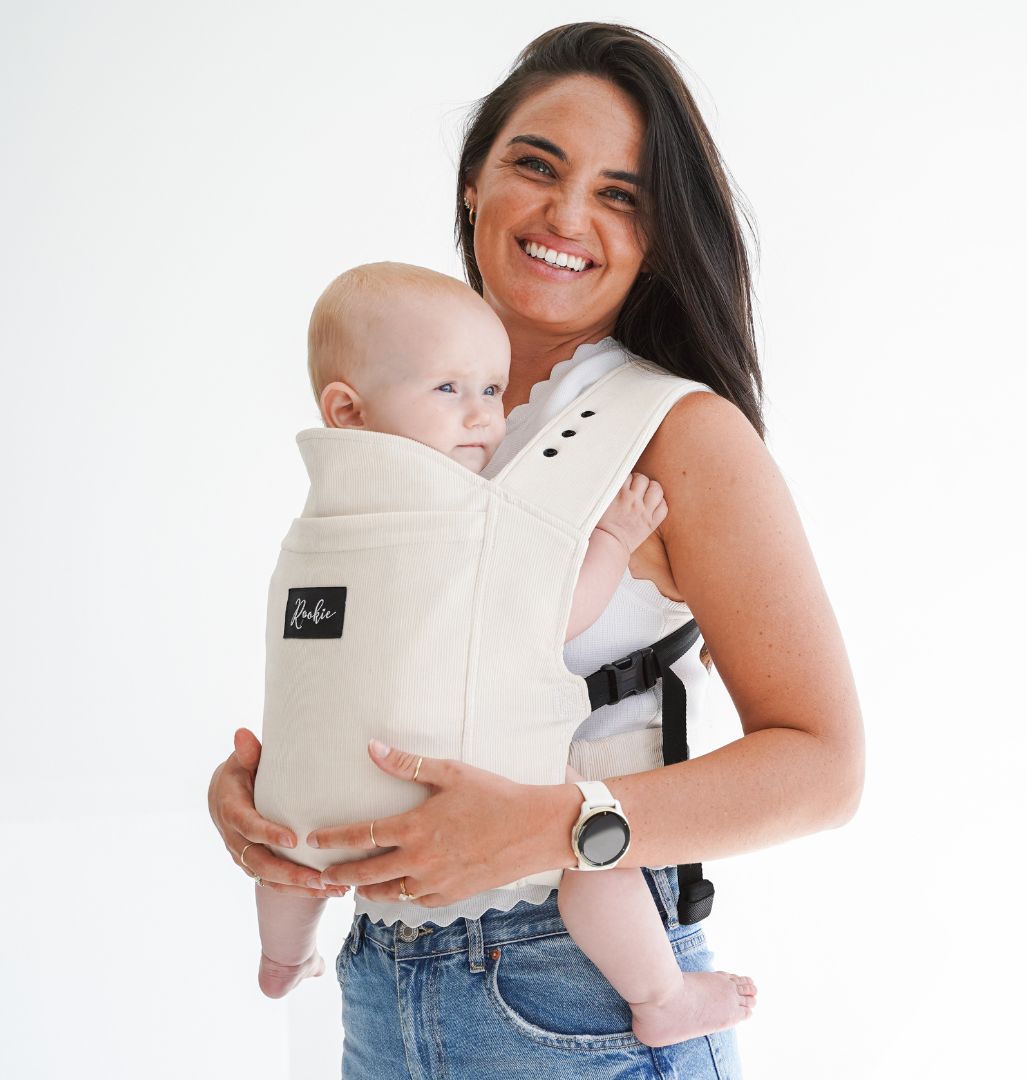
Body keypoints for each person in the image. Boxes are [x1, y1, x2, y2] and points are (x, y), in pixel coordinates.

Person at [208, 21, 864, 1079]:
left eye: (621, 194)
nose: (567, 216)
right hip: (381, 975)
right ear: (475, 185)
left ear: (658, 234)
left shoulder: (677, 434)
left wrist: (561, 828)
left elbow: (826, 768)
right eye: (536, 165)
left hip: (586, 989)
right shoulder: (399, 407)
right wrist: (266, 796)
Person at [252, 261, 757, 1049]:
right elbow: (550, 615)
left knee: (290, 851)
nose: (483, 417)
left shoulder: (317, 519)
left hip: (317, 811)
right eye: (450, 391)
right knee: (595, 859)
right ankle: (658, 994)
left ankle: (282, 953)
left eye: (490, 391)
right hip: (475, 836)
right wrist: (615, 539)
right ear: (347, 408)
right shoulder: (460, 517)